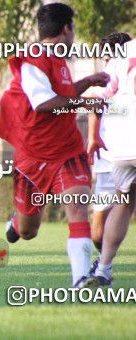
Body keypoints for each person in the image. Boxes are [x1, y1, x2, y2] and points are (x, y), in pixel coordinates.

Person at [0, 3, 110, 287]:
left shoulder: (59, 61)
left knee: (78, 209)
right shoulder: (33, 59)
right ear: (66, 29)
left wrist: (87, 82)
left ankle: (80, 278)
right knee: (27, 231)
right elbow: (44, 103)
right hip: (33, 156)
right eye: (73, 30)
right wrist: (84, 101)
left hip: (67, 151)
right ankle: (16, 221)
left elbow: (62, 93)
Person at [87, 38, 136, 286]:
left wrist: (93, 137)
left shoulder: (123, 54)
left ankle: (103, 268)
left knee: (124, 202)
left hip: (122, 143)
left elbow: (97, 98)